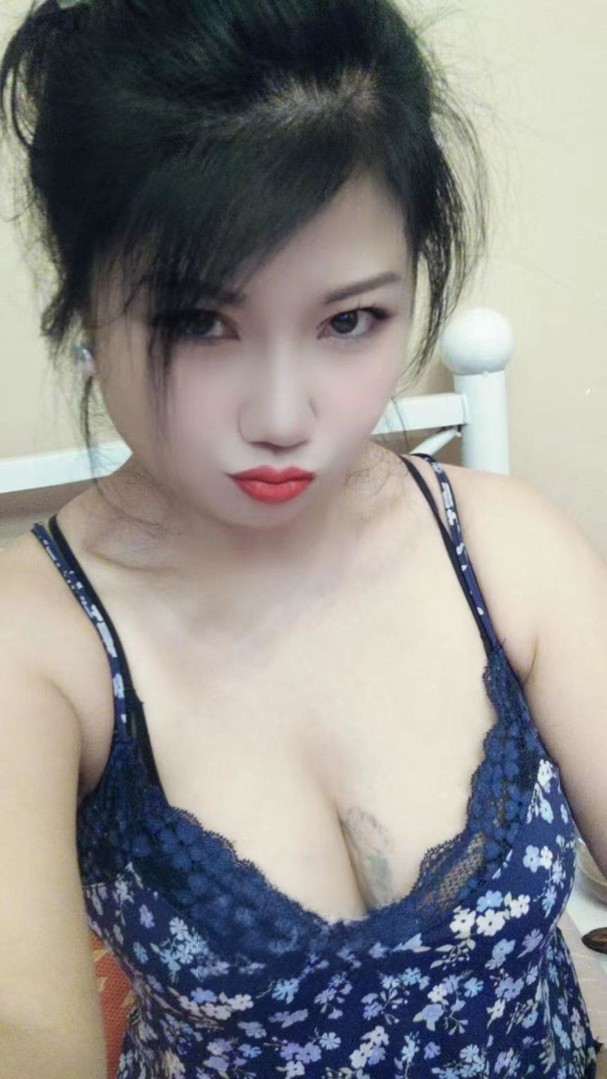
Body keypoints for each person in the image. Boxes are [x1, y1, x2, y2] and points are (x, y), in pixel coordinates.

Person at [0, 0, 605, 1076]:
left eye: (347, 321)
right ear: (84, 297)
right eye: (198, 322)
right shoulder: (36, 642)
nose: (282, 417)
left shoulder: (506, 549)